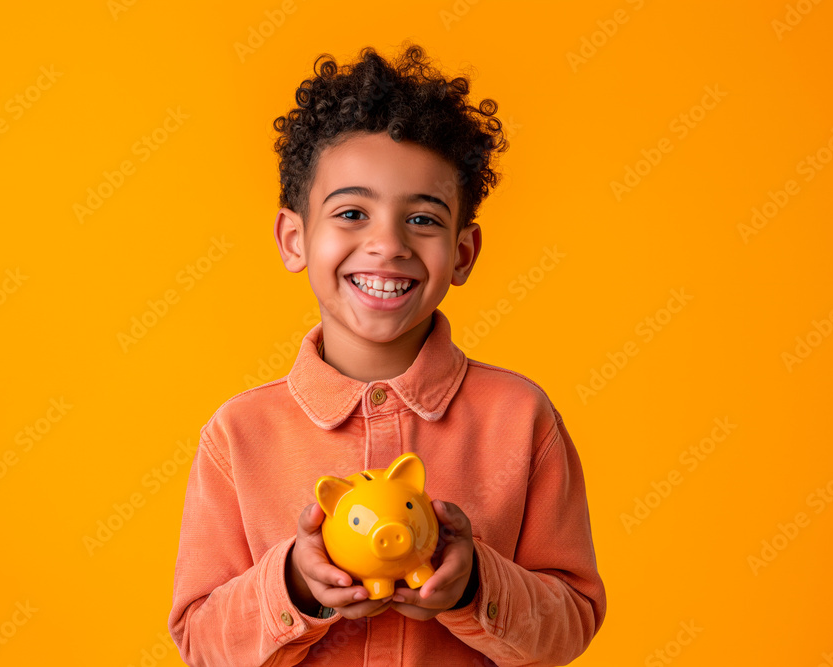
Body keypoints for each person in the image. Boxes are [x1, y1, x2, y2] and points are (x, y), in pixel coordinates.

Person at [168, 41, 606, 666]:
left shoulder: (522, 418)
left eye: (423, 220)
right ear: (295, 239)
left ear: (462, 252)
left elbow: (570, 625)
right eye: (351, 212)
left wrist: (477, 582)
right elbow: (200, 643)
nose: (387, 244)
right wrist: (293, 583)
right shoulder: (238, 436)